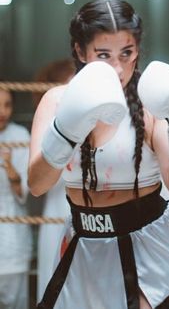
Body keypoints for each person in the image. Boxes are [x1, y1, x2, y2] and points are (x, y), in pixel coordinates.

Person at [28, 0, 169, 309]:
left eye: (127, 53)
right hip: (86, 239)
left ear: (138, 50)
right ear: (81, 51)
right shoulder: (57, 101)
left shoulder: (150, 104)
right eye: (103, 55)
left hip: (152, 245)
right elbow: (38, 184)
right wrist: (67, 129)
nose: (118, 67)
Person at [33, 59, 76, 301]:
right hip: (57, 210)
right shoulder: (46, 126)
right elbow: (36, 183)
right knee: (54, 282)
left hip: (91, 213)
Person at [0, 88, 32, 309]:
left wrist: (10, 168)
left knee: (15, 302)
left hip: (12, 235)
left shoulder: (20, 136)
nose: (2, 111)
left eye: (7, 105)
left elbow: (25, 191)